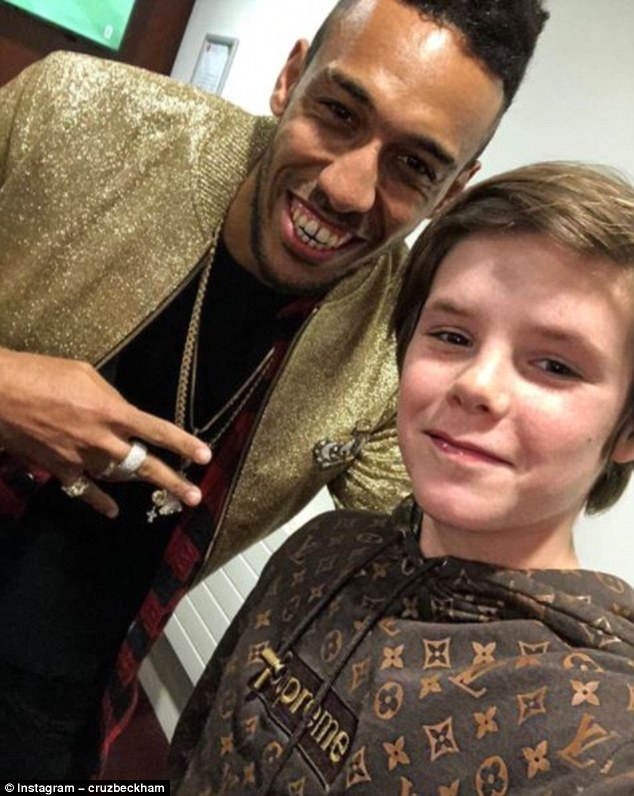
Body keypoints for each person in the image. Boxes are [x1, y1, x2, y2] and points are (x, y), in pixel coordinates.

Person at [0, 0, 548, 778]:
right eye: (339, 113)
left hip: (60, 691)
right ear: (290, 78)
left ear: (454, 190)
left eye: (414, 166)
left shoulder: (399, 345)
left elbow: (438, 558)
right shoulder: (73, 114)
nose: (349, 190)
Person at [169, 161, 634, 795]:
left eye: (555, 366)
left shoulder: (603, 734)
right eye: (452, 336)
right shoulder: (321, 551)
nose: (476, 385)